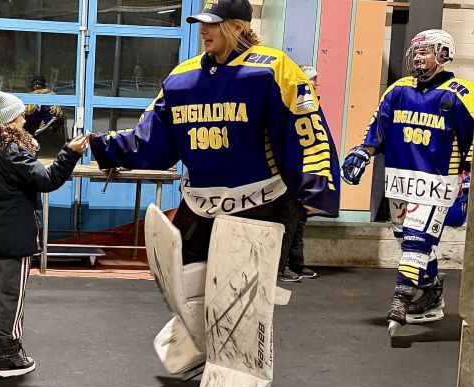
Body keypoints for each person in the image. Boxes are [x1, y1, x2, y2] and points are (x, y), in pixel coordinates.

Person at [88, 0, 340, 277]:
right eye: (202, 24)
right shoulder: (181, 78)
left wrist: (315, 185)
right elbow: (151, 136)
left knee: (244, 302)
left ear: (238, 27)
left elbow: (306, 130)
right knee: (183, 291)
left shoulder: (274, 68)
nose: (204, 31)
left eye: (213, 24)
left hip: (262, 206)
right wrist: (99, 144)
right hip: (199, 204)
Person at [342, 29, 474, 336]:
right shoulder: (399, 89)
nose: (418, 57)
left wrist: (468, 180)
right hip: (402, 181)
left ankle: (400, 300)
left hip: (438, 183)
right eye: (415, 52)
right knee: (408, 242)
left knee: (416, 242)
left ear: (443, 54)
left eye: (426, 51)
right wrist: (364, 151)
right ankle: (431, 295)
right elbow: (379, 126)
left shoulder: (461, 93)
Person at [0, 90, 88, 377]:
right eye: (19, 115)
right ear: (7, 120)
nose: (24, 119)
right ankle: (8, 356)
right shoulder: (13, 151)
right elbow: (47, 179)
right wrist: (69, 153)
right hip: (16, 236)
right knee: (12, 295)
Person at [279, 64, 323, 282]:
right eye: (311, 80)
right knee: (289, 221)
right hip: (291, 172)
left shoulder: (313, 105)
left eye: (315, 80)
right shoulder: (292, 105)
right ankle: (282, 266)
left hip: (306, 170)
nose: (315, 83)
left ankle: (297, 263)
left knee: (300, 220)